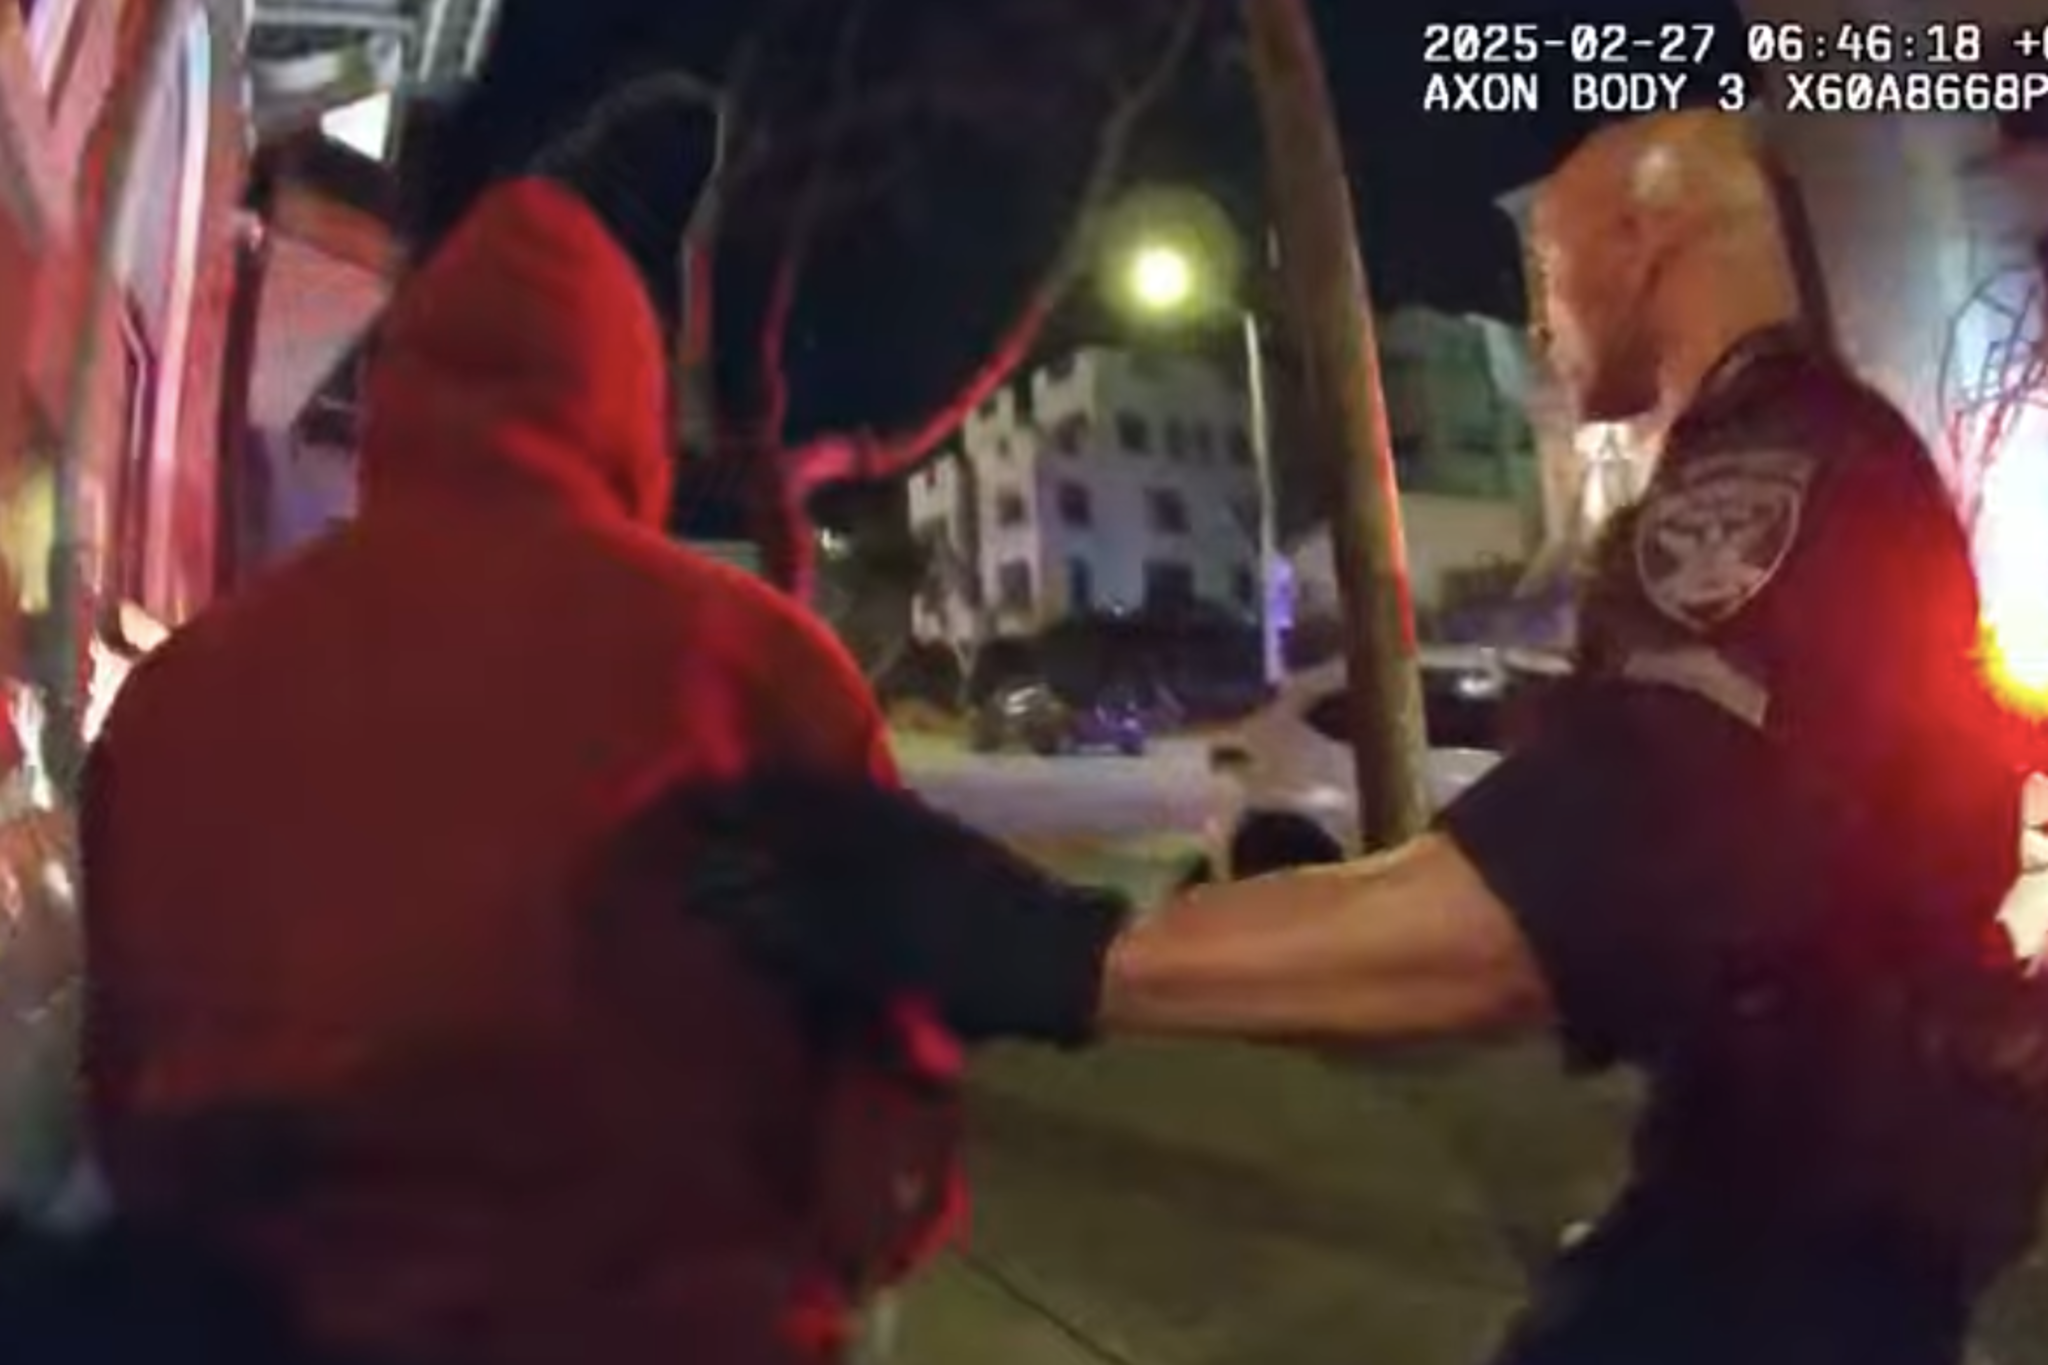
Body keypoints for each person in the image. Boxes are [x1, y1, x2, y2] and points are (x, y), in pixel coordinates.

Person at [675, 110, 2048, 1364]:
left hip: (1796, 1247)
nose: (1544, 319)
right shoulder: (1809, 454)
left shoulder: (1774, 478)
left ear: (1649, 233)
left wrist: (1054, 955)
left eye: (1548, 266)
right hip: (1803, 1205)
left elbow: (1571, 890)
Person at [74, 54, 961, 1365]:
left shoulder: (180, 698)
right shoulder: (762, 672)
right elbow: (888, 1091)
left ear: (402, 389)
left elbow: (131, 1109)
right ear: (625, 401)